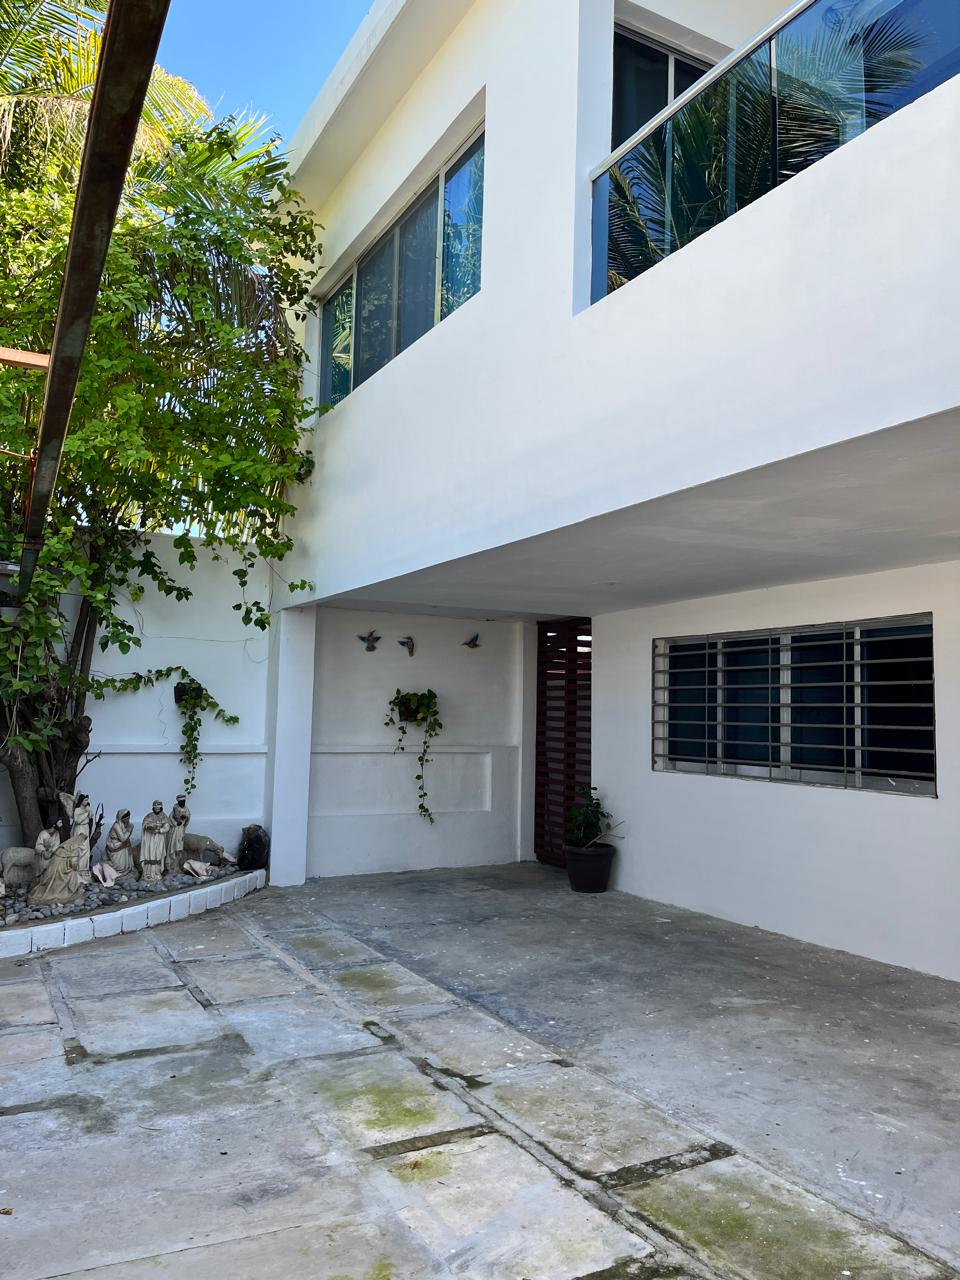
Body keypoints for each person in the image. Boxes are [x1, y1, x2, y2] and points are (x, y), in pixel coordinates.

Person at [139, 801, 171, 883]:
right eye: (155, 808)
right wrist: (149, 827)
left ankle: (157, 873)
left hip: (159, 838)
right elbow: (144, 824)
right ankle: (147, 873)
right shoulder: (149, 816)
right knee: (149, 854)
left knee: (158, 855)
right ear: (153, 808)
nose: (157, 809)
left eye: (159, 808)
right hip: (150, 839)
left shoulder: (164, 817)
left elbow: (167, 826)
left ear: (161, 808)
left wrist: (159, 830)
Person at [103, 809, 136, 878]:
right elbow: (123, 838)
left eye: (129, 818)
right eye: (126, 818)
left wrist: (129, 829)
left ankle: (126, 869)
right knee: (119, 867)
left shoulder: (126, 824)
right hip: (116, 846)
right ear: (121, 818)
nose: (128, 820)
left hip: (123, 846)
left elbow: (125, 838)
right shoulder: (116, 826)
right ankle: (105, 866)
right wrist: (129, 830)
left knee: (125, 866)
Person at [165, 794, 190, 874]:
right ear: (178, 801)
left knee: (179, 850)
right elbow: (170, 819)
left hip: (181, 831)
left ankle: (176, 867)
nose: (182, 803)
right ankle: (170, 867)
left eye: (184, 801)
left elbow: (188, 818)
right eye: (181, 801)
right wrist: (176, 823)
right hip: (174, 831)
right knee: (173, 848)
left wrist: (185, 818)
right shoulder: (174, 809)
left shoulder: (186, 809)